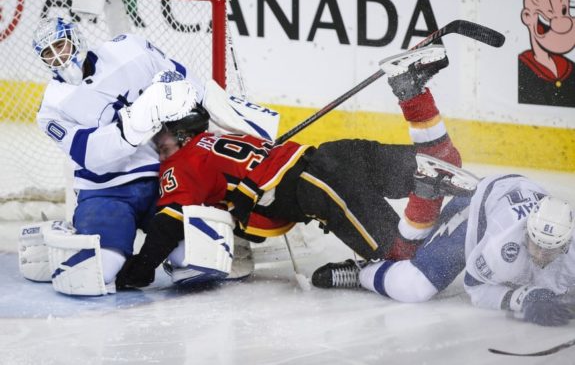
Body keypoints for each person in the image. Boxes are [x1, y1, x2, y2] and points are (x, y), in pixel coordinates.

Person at [114, 45, 469, 290]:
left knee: (403, 258)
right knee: (443, 162)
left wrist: (141, 268)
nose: (154, 142)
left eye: (158, 133)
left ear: (176, 131)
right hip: (334, 155)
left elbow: (168, 221)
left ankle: (363, 269)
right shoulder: (220, 134)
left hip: (321, 186)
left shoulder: (180, 162)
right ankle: (411, 89)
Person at [18, 16, 278, 296]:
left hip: (164, 178)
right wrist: (137, 120)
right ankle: (70, 232)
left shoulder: (129, 49)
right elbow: (91, 155)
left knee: (198, 261)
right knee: (99, 272)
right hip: (107, 192)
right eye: (49, 53)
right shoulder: (52, 108)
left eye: (61, 45)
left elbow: (185, 81)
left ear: (75, 39)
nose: (58, 55)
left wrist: (231, 119)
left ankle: (174, 255)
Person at [312, 160, 575, 327]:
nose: (541, 254)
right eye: (536, 244)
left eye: (550, 249)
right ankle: (362, 273)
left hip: (509, 191)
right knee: (414, 287)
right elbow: (477, 288)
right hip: (474, 208)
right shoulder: (503, 243)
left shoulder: (565, 245)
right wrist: (523, 298)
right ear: (526, 232)